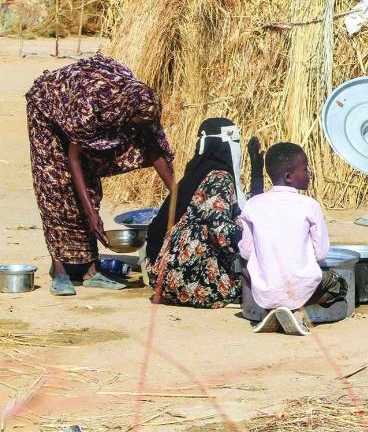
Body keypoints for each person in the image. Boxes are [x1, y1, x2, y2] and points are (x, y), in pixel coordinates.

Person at [26, 54, 174, 296]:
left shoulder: (143, 106)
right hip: (48, 109)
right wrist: (92, 214)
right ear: (125, 110)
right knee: (55, 187)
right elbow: (73, 158)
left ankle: (91, 271)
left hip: (84, 114)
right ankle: (60, 270)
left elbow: (155, 151)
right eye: (135, 121)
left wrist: (180, 196)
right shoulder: (91, 107)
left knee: (90, 187)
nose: (137, 125)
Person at [145, 118, 257, 308]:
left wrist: (257, 171)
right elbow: (220, 230)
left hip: (168, 278)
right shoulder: (220, 177)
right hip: (193, 280)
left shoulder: (196, 174)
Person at [238, 143, 345, 335]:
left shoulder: (253, 204)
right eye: (304, 169)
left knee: (239, 265)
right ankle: (295, 310)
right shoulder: (310, 205)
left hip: (266, 289)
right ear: (288, 177)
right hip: (301, 287)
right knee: (339, 285)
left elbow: (246, 251)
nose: (308, 173)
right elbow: (320, 254)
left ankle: (271, 309)